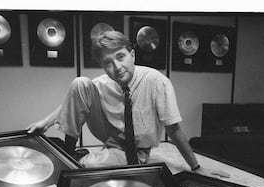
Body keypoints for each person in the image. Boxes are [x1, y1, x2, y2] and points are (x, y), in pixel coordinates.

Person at [27, 31, 229, 178]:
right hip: (109, 134)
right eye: (108, 63)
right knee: (80, 83)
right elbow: (71, 102)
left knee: (85, 168)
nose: (117, 67)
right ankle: (68, 153)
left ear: (132, 55)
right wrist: (45, 123)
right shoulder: (103, 82)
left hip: (135, 152)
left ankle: (78, 161)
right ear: (103, 66)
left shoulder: (157, 82)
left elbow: (174, 129)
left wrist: (196, 167)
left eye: (121, 57)